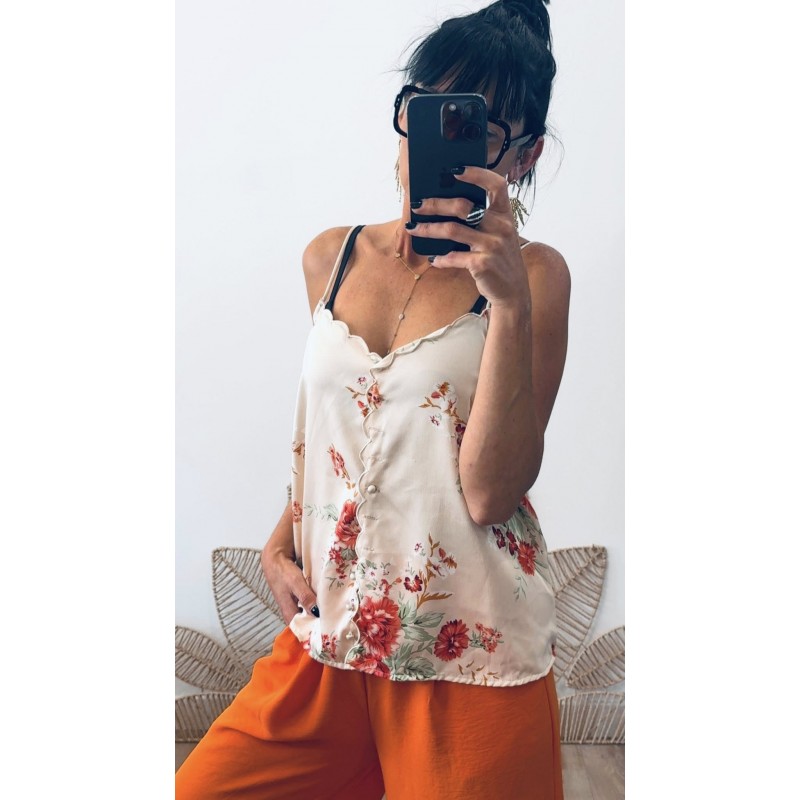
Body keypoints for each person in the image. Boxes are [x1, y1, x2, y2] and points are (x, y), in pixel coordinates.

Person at [176, 0, 571, 797]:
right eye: (424, 109)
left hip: (467, 648)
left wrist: (508, 305)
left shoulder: (535, 278)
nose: (435, 139)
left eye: (474, 125)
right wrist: (280, 540)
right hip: (330, 635)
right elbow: (351, 441)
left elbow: (491, 492)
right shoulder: (330, 258)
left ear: (524, 155)